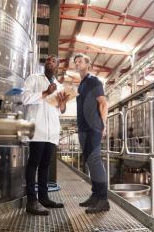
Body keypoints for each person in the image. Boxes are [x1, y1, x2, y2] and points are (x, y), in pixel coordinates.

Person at [22, 54, 69, 215]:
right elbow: (25, 98)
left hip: (52, 132)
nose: (50, 62)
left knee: (45, 166)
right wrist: (45, 92)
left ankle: (44, 198)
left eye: (54, 60)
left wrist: (62, 105)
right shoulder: (33, 79)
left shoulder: (60, 86)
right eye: (48, 60)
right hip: (37, 129)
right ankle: (31, 201)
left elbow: (61, 110)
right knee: (33, 163)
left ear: (58, 66)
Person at [74, 53, 110, 214]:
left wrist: (103, 125)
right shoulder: (81, 85)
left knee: (94, 160)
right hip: (83, 128)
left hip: (93, 127)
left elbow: (103, 102)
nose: (76, 63)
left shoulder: (94, 81)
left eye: (80, 61)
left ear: (88, 65)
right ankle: (95, 195)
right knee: (89, 161)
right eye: (75, 62)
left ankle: (103, 199)